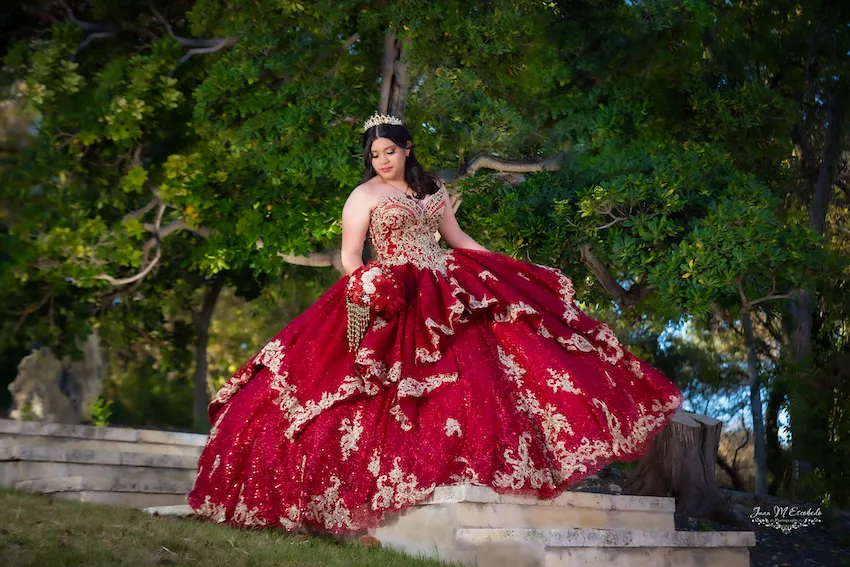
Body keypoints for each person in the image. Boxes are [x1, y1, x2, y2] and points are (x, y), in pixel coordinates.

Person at [187, 113, 684, 534]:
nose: (381, 161)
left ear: (407, 149)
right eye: (374, 155)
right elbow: (347, 255)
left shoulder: (433, 189)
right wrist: (368, 288)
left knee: (481, 371)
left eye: (388, 152)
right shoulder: (362, 196)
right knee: (373, 383)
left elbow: (458, 238)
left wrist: (508, 268)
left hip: (445, 279)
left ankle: (462, 468)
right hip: (391, 290)